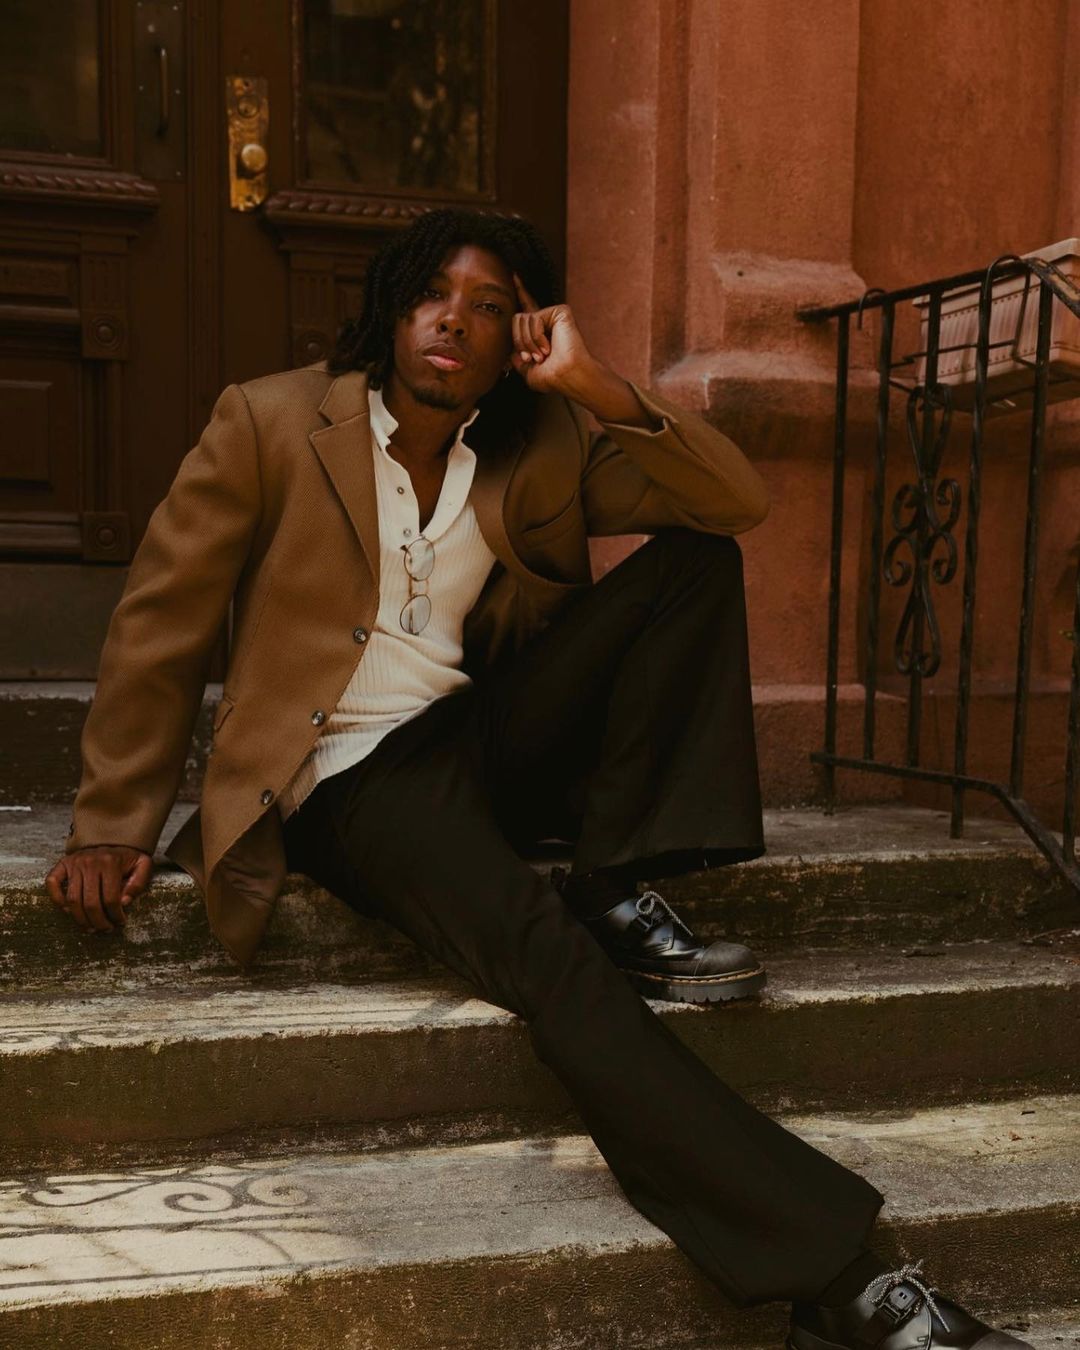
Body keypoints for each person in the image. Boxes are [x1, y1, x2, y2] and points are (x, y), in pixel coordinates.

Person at [45, 207, 1030, 1350]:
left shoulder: (538, 441)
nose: (454, 320)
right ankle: (849, 1284)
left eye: (488, 305)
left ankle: (610, 878)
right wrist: (111, 821)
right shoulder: (269, 421)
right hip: (346, 781)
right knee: (558, 974)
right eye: (434, 293)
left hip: (475, 736)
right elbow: (162, 621)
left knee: (693, 568)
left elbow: (733, 502)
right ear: (392, 304)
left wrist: (595, 386)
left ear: (519, 333)